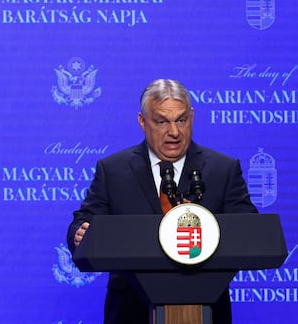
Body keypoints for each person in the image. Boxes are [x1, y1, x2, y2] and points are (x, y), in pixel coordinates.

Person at [67, 79, 257, 324]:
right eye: (162, 122)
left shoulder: (223, 169)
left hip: (206, 308)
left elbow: (249, 232)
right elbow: (83, 223)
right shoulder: (113, 170)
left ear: (192, 117)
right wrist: (79, 234)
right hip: (130, 311)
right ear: (142, 122)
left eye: (181, 120)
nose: (174, 132)